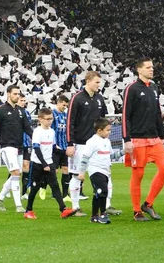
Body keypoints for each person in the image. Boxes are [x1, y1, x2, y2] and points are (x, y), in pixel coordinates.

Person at [123, 57, 164, 221]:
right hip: (137, 139)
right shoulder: (132, 88)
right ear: (139, 70)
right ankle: (137, 210)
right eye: (148, 67)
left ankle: (148, 204)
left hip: (155, 138)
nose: (152, 69)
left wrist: (162, 136)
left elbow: (157, 113)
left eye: (152, 67)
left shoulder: (154, 87)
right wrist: (126, 139)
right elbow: (125, 116)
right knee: (138, 174)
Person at [66, 71, 108, 217]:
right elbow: (70, 121)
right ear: (88, 81)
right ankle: (76, 207)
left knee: (104, 174)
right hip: (80, 143)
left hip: (97, 144)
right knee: (77, 176)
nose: (99, 85)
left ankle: (106, 206)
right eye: (96, 82)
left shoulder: (99, 99)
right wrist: (70, 143)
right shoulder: (76, 99)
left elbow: (103, 121)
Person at [23, 108, 76, 220]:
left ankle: (63, 209)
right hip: (37, 164)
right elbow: (36, 149)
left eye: (51, 119)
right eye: (47, 119)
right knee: (35, 187)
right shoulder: (37, 132)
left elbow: (53, 148)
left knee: (55, 186)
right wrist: (44, 164)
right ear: (40, 119)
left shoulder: (51, 131)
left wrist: (65, 152)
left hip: (49, 163)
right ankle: (28, 210)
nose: (50, 121)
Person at [0, 86, 33, 213]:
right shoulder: (0, 110)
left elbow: (27, 128)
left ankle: (0, 197)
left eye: (18, 94)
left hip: (19, 147)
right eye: (15, 94)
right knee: (15, 172)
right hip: (7, 146)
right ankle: (18, 205)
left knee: (17, 173)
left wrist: (36, 139)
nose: (17, 96)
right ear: (8, 94)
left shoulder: (21, 111)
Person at [78, 118, 125, 224]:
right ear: (99, 130)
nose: (110, 132)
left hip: (105, 171)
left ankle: (94, 216)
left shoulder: (107, 141)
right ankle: (103, 214)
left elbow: (111, 156)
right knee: (103, 191)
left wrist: (123, 152)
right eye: (108, 130)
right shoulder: (91, 142)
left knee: (97, 193)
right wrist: (81, 172)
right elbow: (85, 158)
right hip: (95, 170)